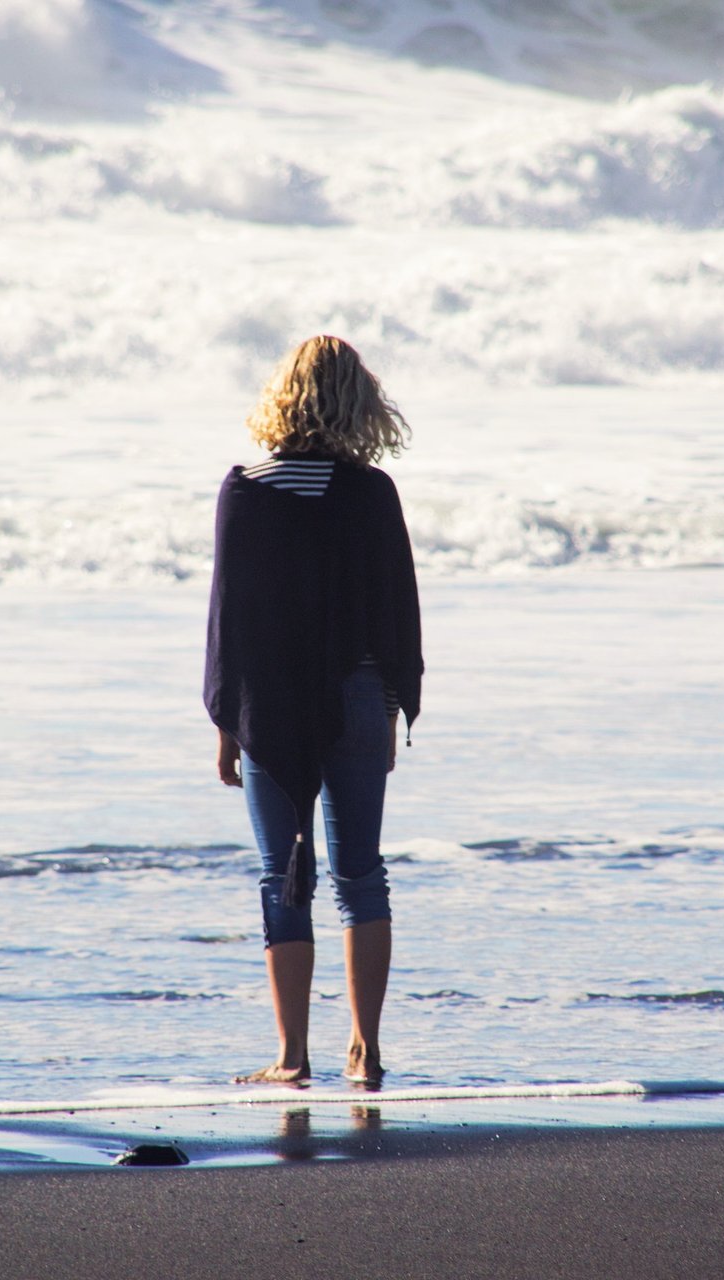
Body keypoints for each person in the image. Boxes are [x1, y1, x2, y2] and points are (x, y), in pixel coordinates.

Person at [204, 335, 423, 1087]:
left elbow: (228, 619)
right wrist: (392, 705)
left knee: (282, 878)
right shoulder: (370, 493)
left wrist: (227, 722)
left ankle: (292, 1058)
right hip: (360, 695)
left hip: (271, 704)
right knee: (361, 874)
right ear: (359, 400)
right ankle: (365, 1051)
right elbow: (398, 612)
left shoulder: (244, 489)